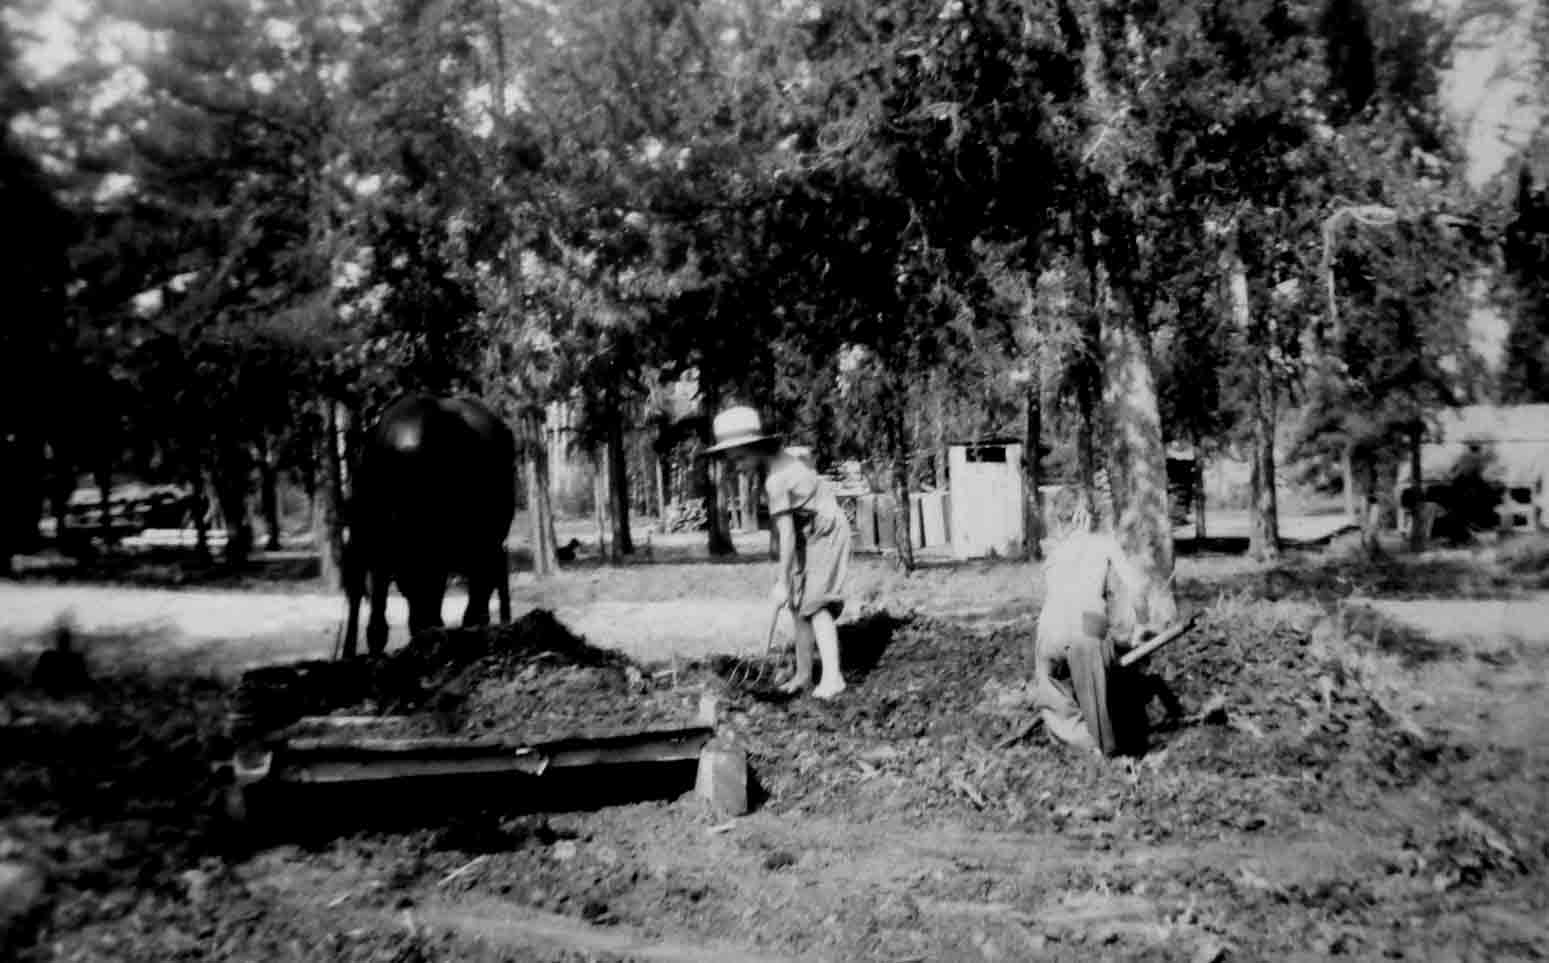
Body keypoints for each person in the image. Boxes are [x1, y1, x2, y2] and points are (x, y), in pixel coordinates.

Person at [707, 406, 852, 699]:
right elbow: (786, 530)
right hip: (806, 532)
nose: (736, 467)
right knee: (799, 605)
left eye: (739, 458)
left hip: (826, 531)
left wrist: (783, 582)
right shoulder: (773, 466)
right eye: (731, 461)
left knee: (817, 604)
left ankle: (833, 678)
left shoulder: (777, 479)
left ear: (756, 447)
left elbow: (786, 534)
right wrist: (787, 582)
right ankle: (803, 674)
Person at [1030, 498, 1178, 756]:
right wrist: (1141, 626)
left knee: (1053, 689)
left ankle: (1078, 742)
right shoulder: (1103, 543)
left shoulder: (1054, 552)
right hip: (1087, 623)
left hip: (1048, 629)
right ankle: (1106, 747)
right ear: (1083, 517)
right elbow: (1138, 589)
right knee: (1097, 688)